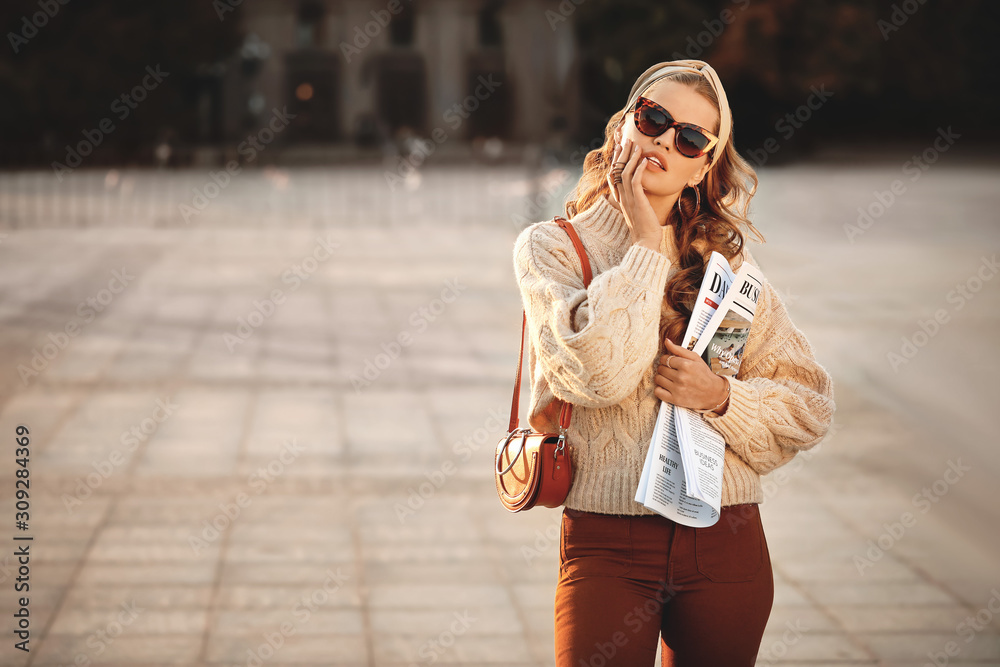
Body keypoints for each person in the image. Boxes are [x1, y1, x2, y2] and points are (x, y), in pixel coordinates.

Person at [511, 59, 836, 666]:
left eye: (689, 137)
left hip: (726, 541)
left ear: (702, 167)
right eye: (653, 118)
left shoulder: (728, 270)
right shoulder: (550, 248)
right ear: (621, 130)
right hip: (606, 544)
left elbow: (809, 405)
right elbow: (600, 375)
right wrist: (641, 246)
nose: (665, 138)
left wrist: (721, 397)